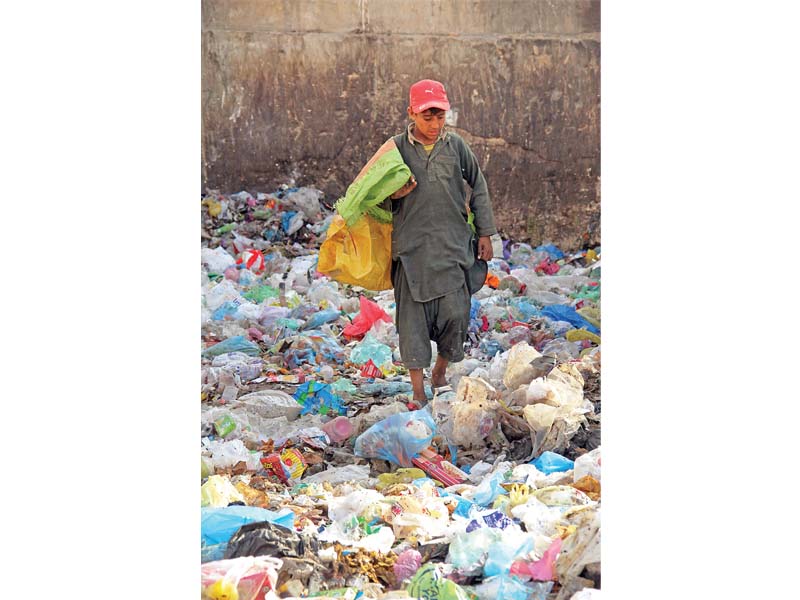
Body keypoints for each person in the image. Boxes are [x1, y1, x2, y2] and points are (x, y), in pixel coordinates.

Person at [385, 79, 497, 406]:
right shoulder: (395, 149)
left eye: (440, 117)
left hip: (452, 245)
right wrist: (394, 194)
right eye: (427, 117)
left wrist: (485, 233)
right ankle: (418, 390)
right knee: (412, 322)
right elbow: (370, 198)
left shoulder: (456, 146)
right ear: (412, 113)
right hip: (412, 252)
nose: (435, 125)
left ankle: (440, 371)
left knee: (456, 313)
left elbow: (478, 185)